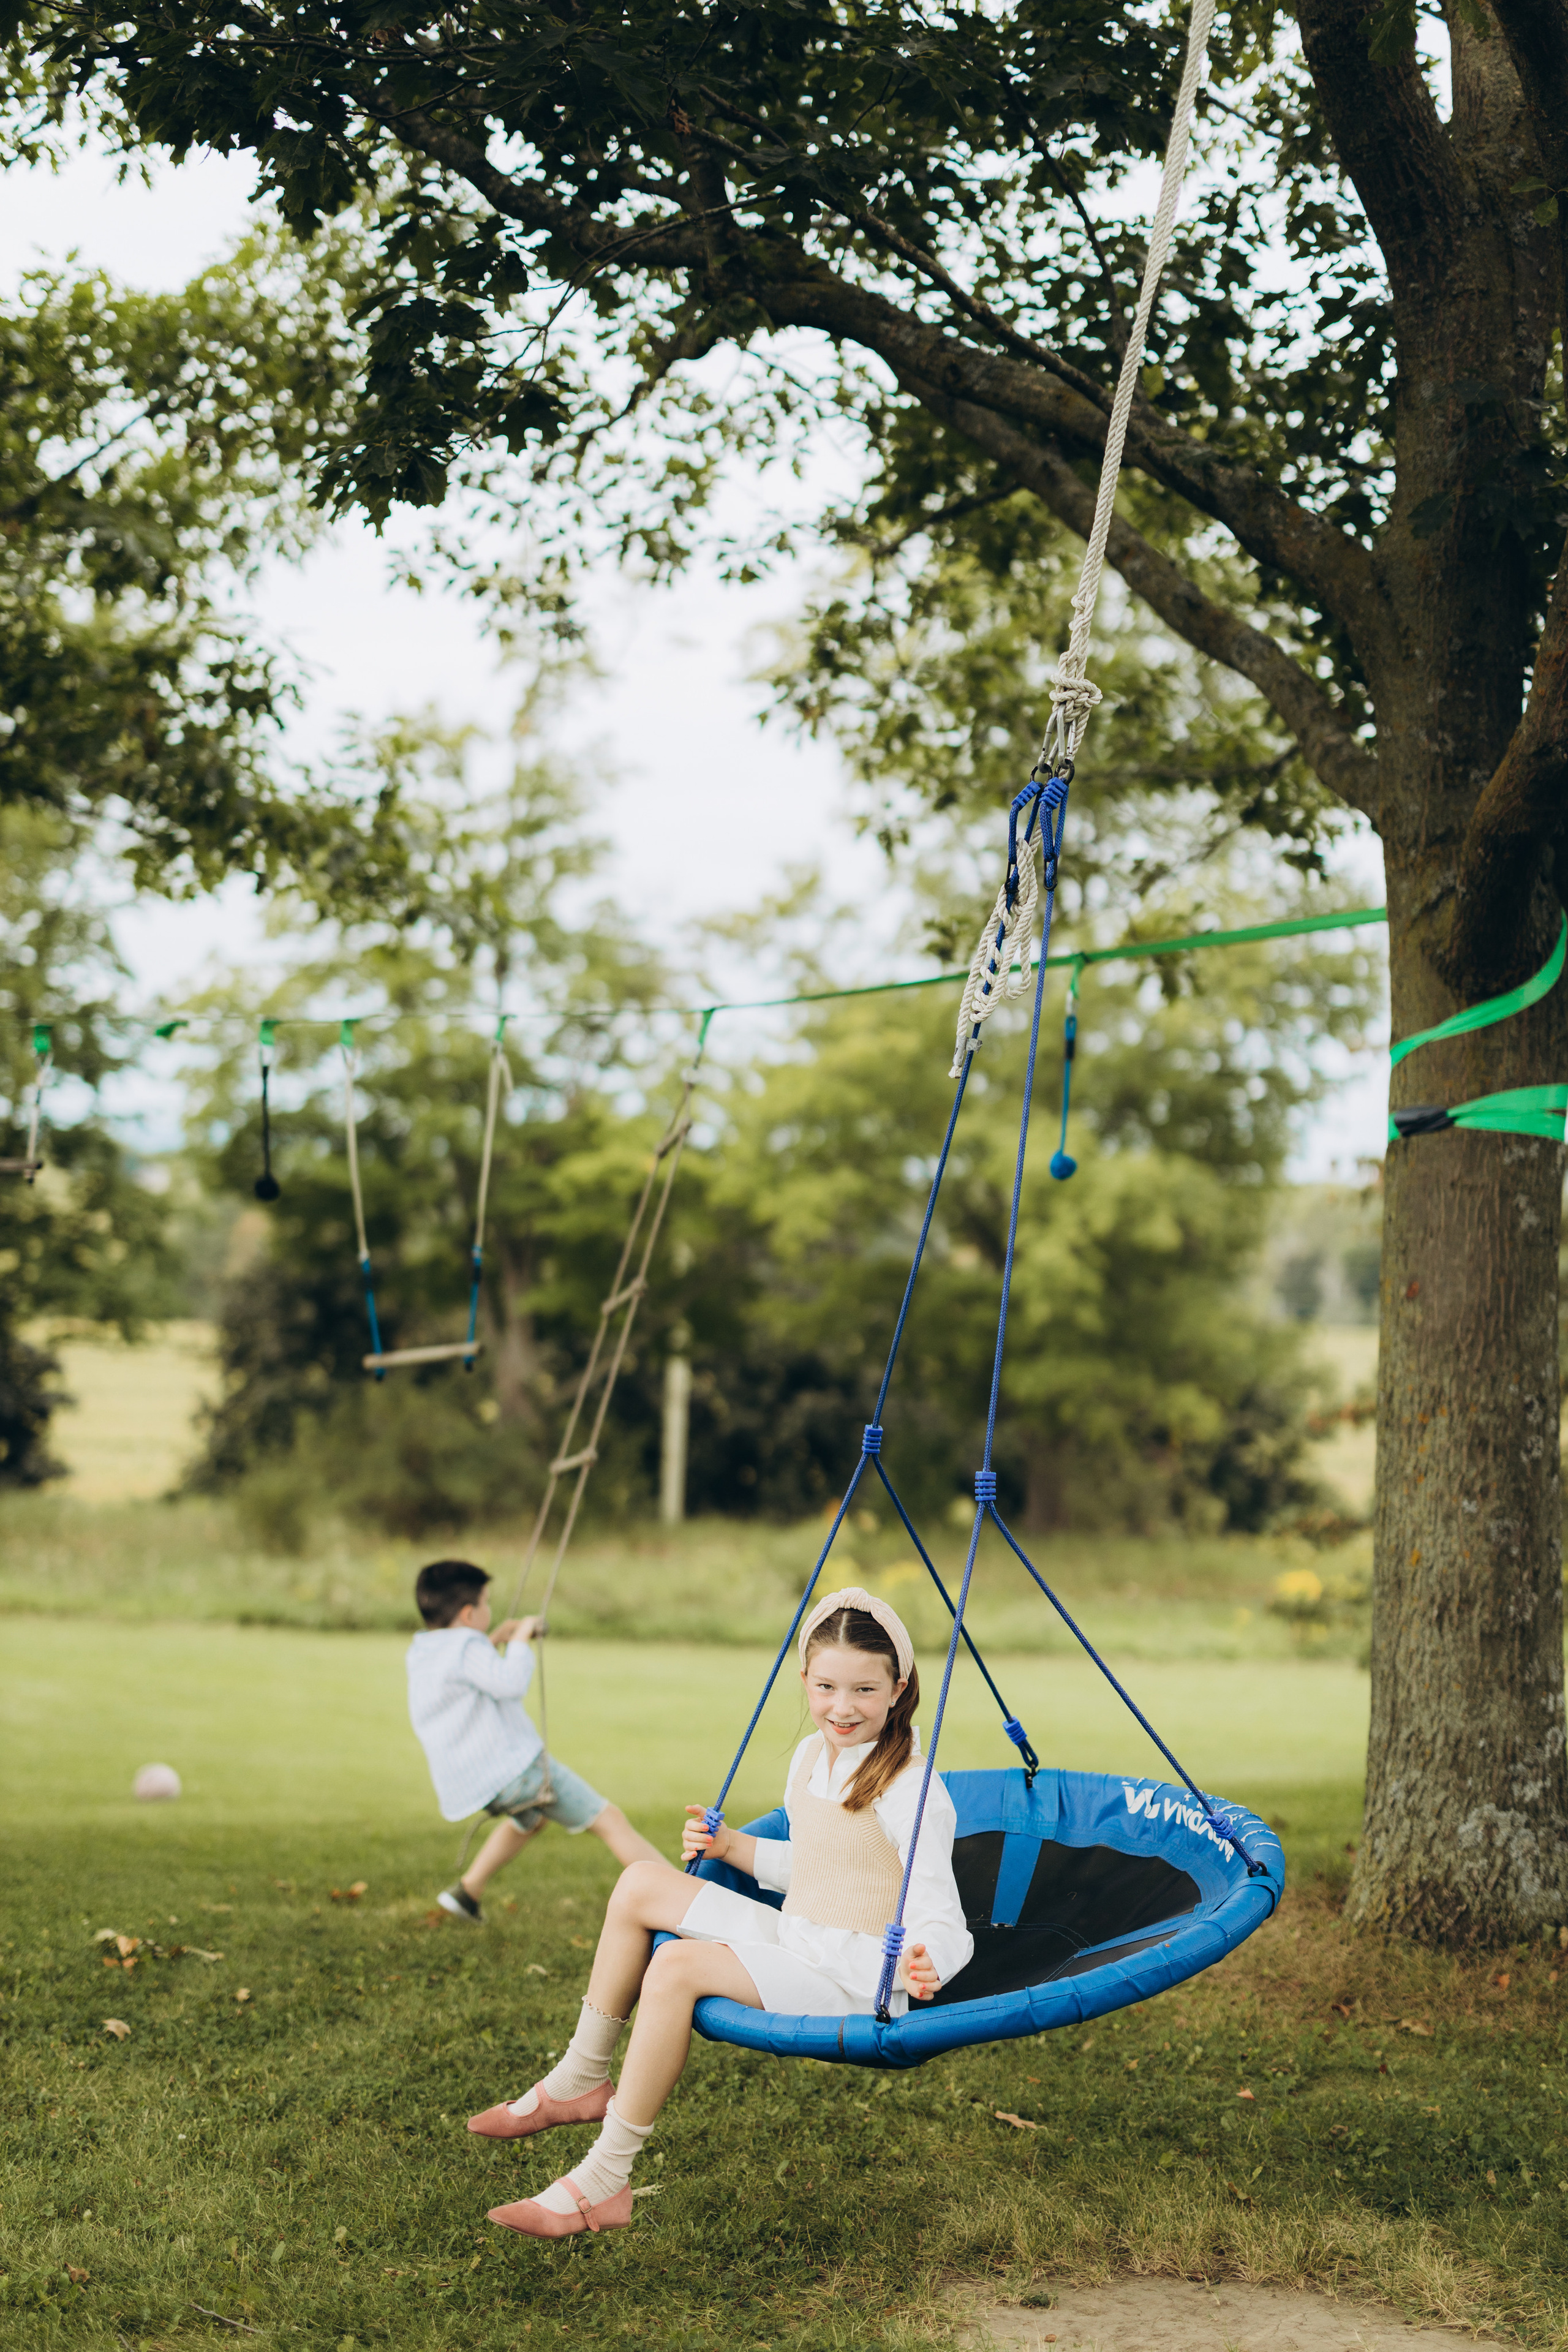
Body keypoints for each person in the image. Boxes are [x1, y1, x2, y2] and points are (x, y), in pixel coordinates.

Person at [466, 1585, 973, 2237]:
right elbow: (821, 1865)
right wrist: (730, 1847)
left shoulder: (911, 1787)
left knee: (676, 1967)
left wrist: (929, 1960)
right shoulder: (811, 1758)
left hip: (856, 1973)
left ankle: (605, 2180)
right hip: (801, 1934)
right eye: (826, 1687)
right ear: (804, 1680)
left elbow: (941, 1912)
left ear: (899, 1688)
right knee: (641, 1882)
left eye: (865, 1691)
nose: (842, 1708)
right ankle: (582, 2077)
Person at [406, 1558, 661, 1921]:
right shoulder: (467, 1647)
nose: (489, 1610)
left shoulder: (425, 1650)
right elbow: (509, 1683)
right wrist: (521, 1638)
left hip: (479, 1782)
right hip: (517, 1772)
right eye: (486, 1603)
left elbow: (462, 1673)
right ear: (468, 1614)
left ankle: (468, 1892)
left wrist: (495, 1640)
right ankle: (684, 1899)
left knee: (532, 1820)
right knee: (610, 1820)